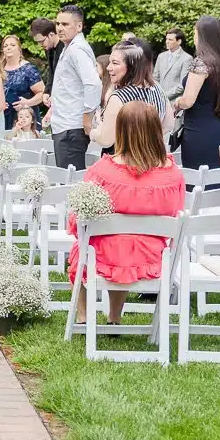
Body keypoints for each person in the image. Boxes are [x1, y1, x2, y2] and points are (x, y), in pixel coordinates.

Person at [68, 101, 185, 324]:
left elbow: (78, 220)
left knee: (82, 247)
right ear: (155, 131)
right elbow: (176, 215)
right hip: (152, 257)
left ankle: (83, 316)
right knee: (125, 244)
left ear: (120, 130)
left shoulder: (102, 171)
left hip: (103, 257)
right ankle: (114, 317)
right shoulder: (172, 176)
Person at [173, 17, 220, 171]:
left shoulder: (201, 63)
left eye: (195, 33)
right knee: (217, 183)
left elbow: (188, 101)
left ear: (203, 37)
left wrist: (177, 102)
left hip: (199, 131)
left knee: (197, 182)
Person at [42, 5, 101, 169]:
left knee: (70, 183)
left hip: (72, 127)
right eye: (58, 23)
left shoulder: (77, 50)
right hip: (65, 124)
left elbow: (93, 83)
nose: (60, 28)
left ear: (79, 26)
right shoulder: (69, 47)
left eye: (65, 24)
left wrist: (87, 117)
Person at [91, 40, 174, 153]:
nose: (108, 67)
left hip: (123, 160)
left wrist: (94, 132)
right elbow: (168, 124)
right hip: (151, 157)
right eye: (110, 62)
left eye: (115, 63)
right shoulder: (157, 88)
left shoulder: (120, 97)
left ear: (131, 66)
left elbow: (106, 140)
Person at [0, 34, 44, 132]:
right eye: (5, 46)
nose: (8, 47)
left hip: (24, 118)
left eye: (12, 45)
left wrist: (27, 103)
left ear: (19, 49)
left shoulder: (28, 69)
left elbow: (42, 93)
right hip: (3, 118)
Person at [153, 28, 193, 100]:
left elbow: (182, 85)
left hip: (175, 103)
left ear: (179, 41)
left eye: (170, 40)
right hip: (158, 101)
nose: (167, 42)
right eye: (166, 39)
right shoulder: (161, 56)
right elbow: (155, 78)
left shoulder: (187, 58)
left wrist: (164, 96)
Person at [31, 18, 63, 96]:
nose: (40, 45)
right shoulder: (48, 47)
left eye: (42, 41)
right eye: (38, 42)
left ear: (51, 35)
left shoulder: (66, 47)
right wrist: (47, 92)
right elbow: (52, 72)